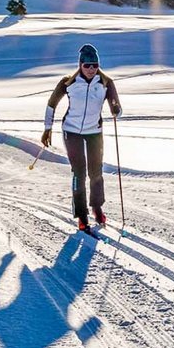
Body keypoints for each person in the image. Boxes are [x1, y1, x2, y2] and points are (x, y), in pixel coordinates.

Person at [42, 43, 123, 231]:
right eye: (87, 65)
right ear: (80, 65)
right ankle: (81, 215)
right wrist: (47, 128)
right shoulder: (68, 83)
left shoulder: (106, 83)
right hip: (71, 131)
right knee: (79, 172)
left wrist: (116, 108)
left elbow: (117, 108)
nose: (91, 69)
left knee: (96, 172)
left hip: (94, 131)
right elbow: (51, 104)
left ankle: (96, 207)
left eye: (95, 65)